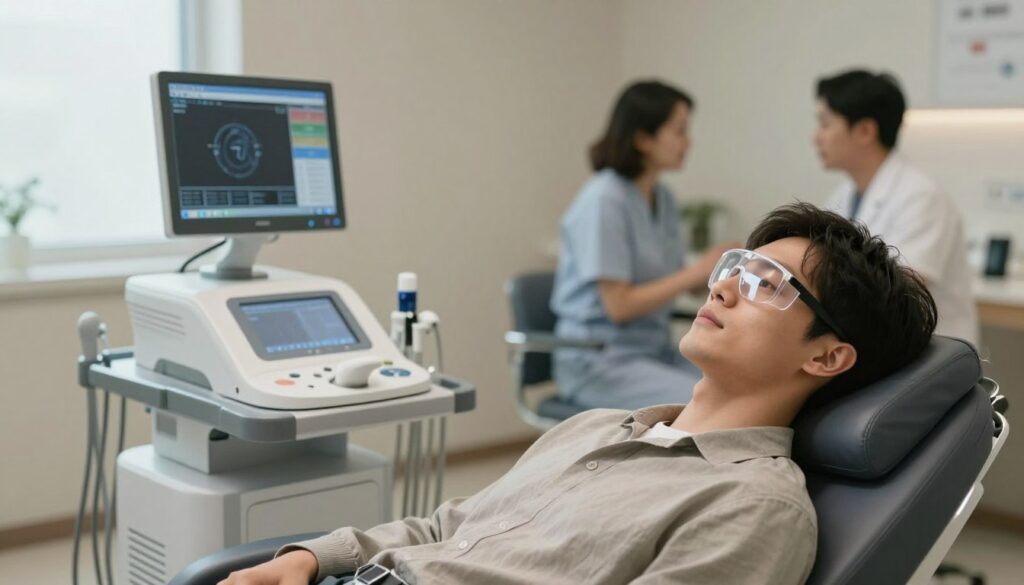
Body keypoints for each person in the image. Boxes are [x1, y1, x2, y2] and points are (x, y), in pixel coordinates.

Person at [220, 203, 938, 585]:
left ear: (828, 354)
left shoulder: (754, 506)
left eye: (766, 284)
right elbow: (447, 525)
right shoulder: (596, 426)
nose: (720, 285)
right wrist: (310, 558)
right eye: (734, 266)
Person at [550, 80, 737, 410]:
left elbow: (679, 281)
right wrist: (696, 270)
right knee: (713, 404)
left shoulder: (662, 198)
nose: (688, 142)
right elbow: (619, 306)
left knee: (744, 383)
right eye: (679, 131)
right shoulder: (604, 199)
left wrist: (720, 272)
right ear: (642, 138)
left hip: (654, 352)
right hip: (600, 361)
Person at [814, 68, 978, 345]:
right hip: (877, 344)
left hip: (929, 355)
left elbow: (899, 289)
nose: (816, 137)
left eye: (826, 124)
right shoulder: (845, 194)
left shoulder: (921, 197)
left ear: (865, 131)